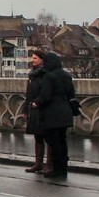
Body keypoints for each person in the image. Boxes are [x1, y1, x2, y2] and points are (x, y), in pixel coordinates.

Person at [33, 51, 75, 179]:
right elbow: (71, 94)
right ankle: (63, 168)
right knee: (62, 141)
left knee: (54, 142)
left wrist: (37, 102)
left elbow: (46, 96)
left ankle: (56, 169)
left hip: (52, 114)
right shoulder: (67, 75)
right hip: (66, 113)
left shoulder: (49, 76)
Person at [22, 49, 51, 174]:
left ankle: (48, 164)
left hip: (44, 107)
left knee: (47, 136)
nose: (32, 60)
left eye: (35, 58)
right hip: (33, 107)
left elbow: (46, 91)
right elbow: (29, 93)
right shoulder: (32, 74)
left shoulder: (46, 74)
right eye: (32, 58)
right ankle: (38, 163)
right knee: (37, 136)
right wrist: (25, 109)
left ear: (42, 60)